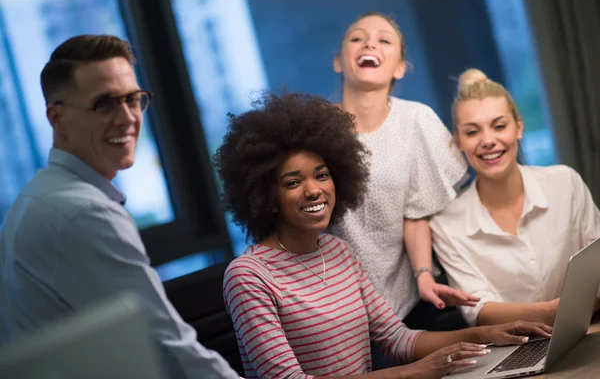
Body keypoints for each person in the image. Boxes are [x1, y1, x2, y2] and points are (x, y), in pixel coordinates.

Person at [216, 92, 552, 379]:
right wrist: (411, 373)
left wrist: (487, 334)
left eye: (322, 175)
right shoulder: (248, 277)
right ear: (265, 195)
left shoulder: (337, 251)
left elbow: (397, 339)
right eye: (293, 182)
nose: (314, 190)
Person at [0, 35, 239, 379]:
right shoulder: (83, 213)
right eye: (104, 104)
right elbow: (169, 351)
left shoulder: (34, 199)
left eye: (133, 99)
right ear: (57, 118)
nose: (127, 118)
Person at [331, 12, 476, 327]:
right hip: (335, 306)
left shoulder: (416, 121)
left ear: (400, 68)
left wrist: (424, 275)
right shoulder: (314, 130)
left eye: (384, 40)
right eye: (357, 38)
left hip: (409, 303)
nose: (370, 43)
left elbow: (417, 210)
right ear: (339, 61)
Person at [430, 68, 600, 327]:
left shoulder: (565, 183)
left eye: (499, 126)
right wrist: (552, 312)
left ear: (519, 127)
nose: (488, 140)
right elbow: (479, 309)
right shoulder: (446, 224)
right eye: (472, 132)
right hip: (512, 350)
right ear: (458, 142)